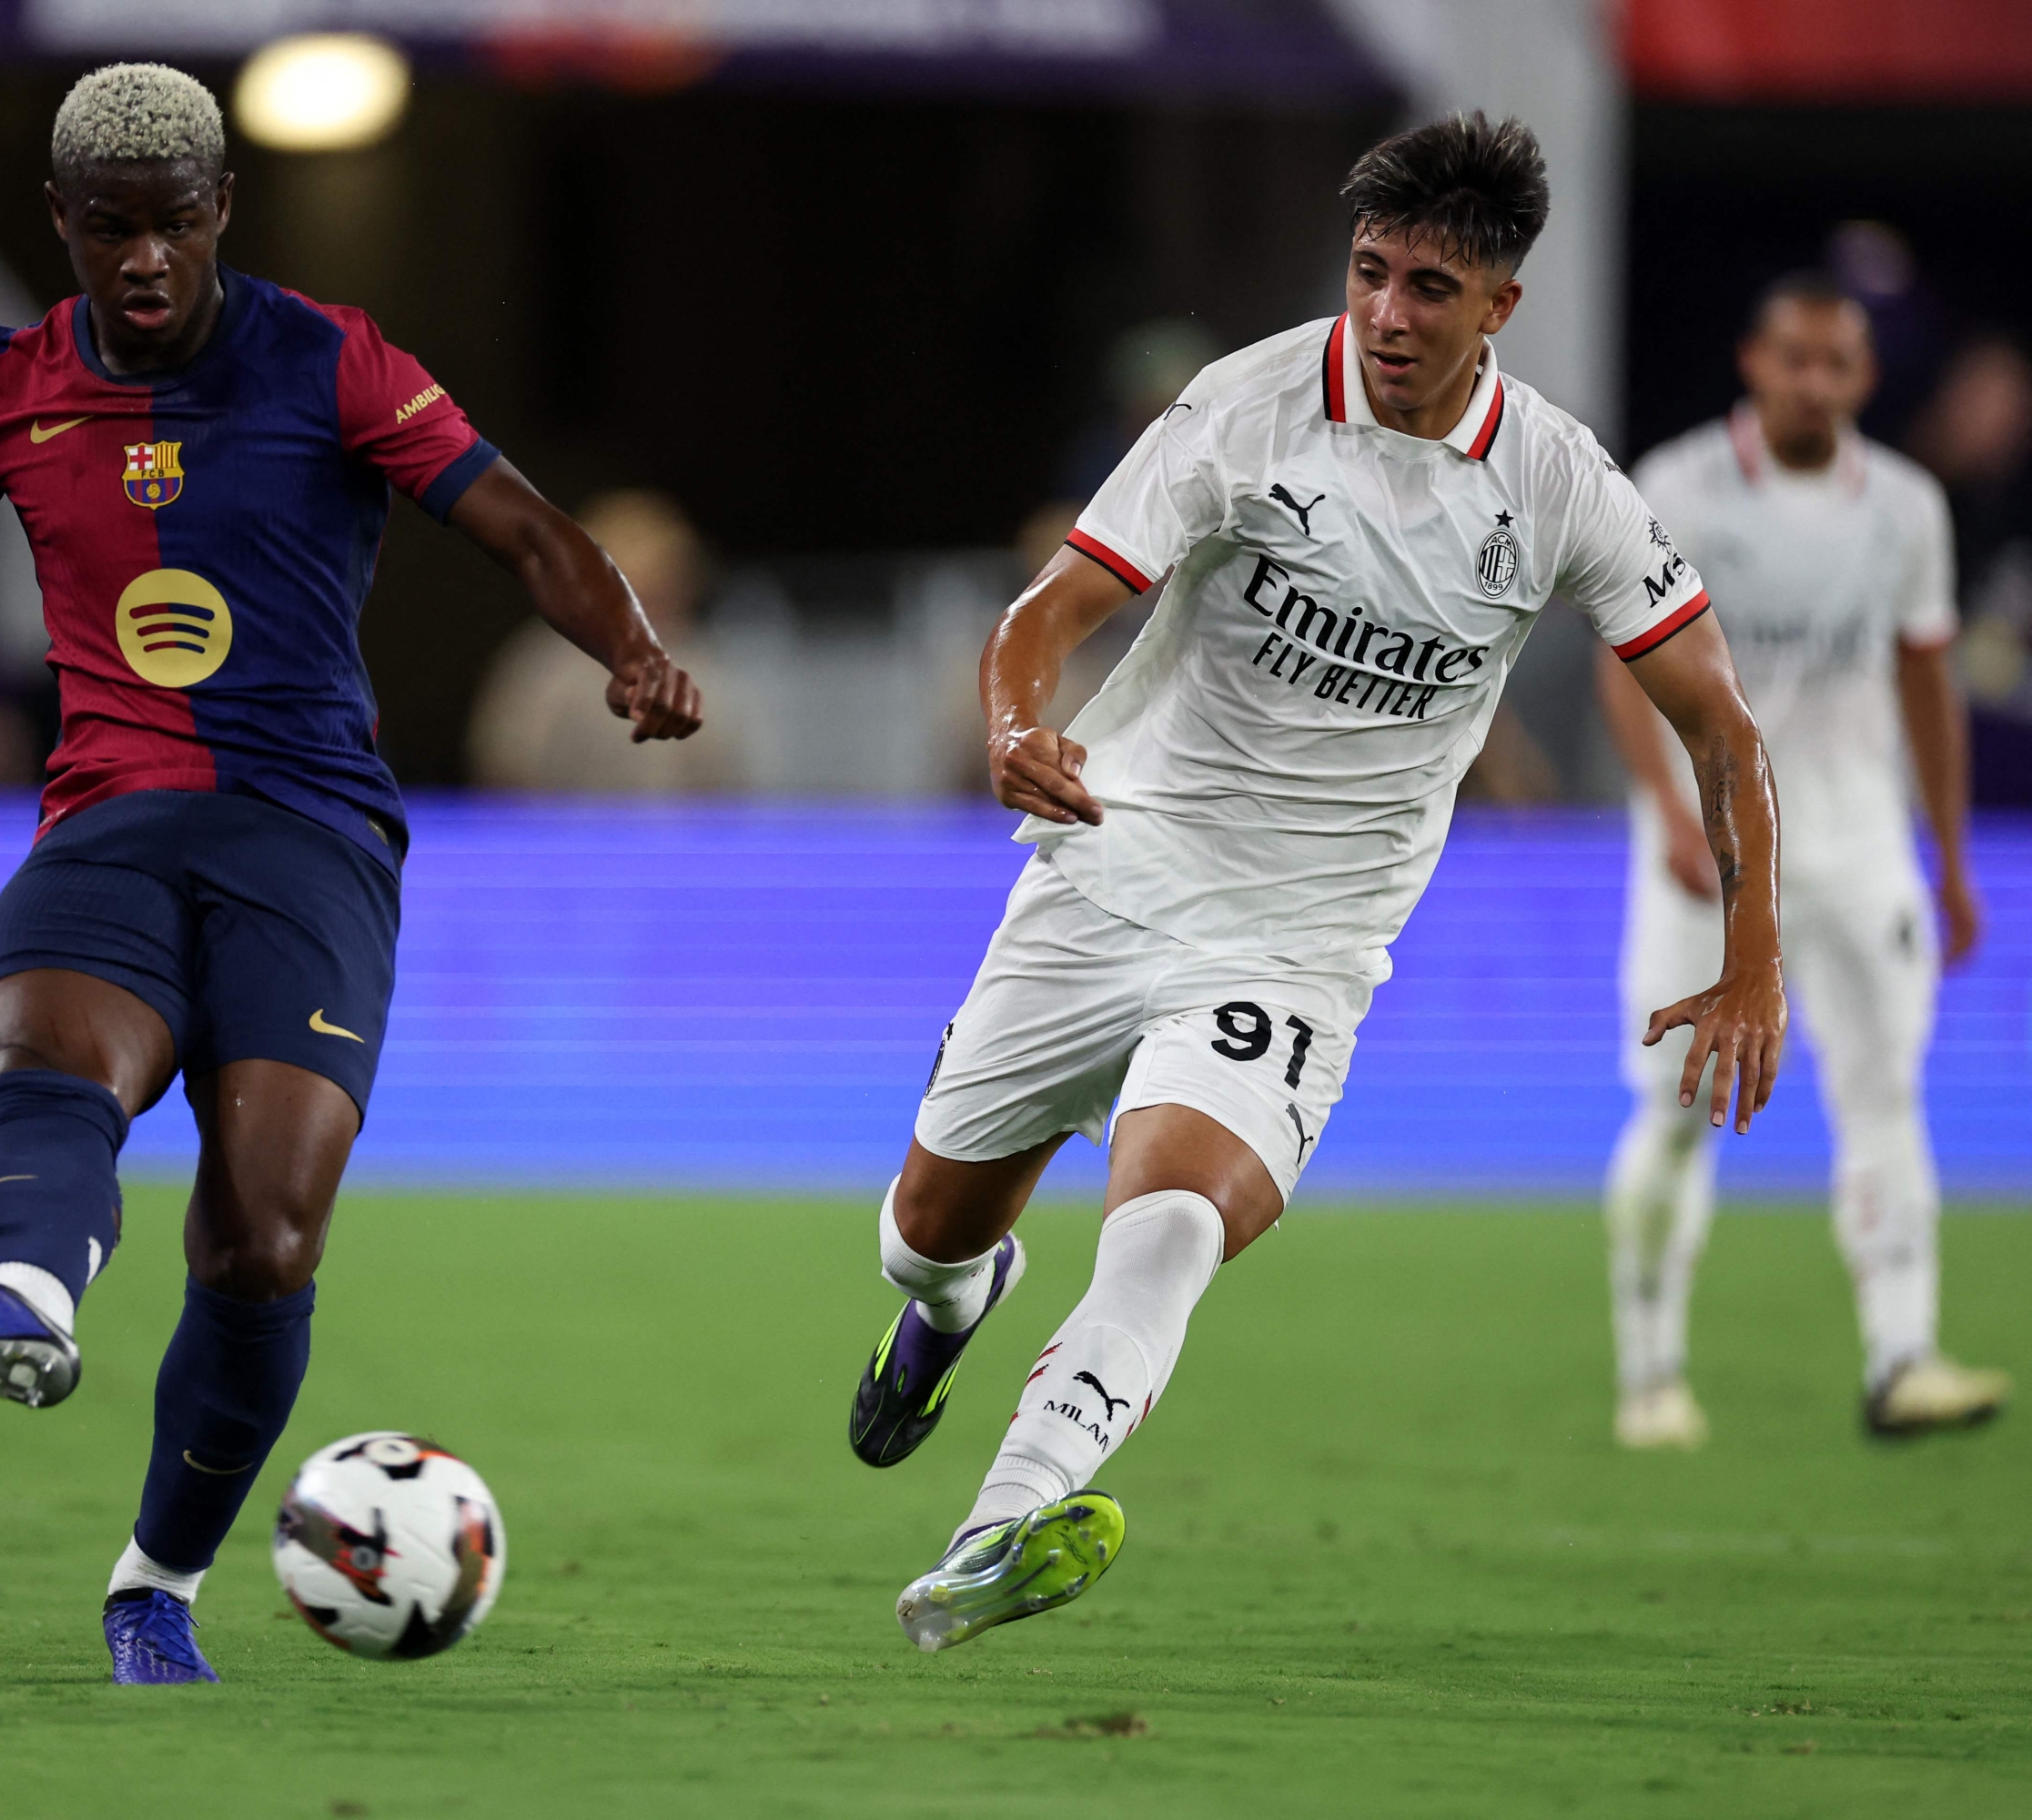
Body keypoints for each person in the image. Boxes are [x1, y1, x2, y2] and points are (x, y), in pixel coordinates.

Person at [0, 66, 702, 1685]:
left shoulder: (333, 361)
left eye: (172, 229)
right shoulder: (0, 389)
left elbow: (524, 525)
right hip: (108, 819)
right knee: (46, 1045)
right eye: (108, 231)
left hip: (309, 834)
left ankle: (156, 1582)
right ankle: (28, 1302)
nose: (141, 262)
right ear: (58, 222)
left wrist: (627, 644)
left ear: (220, 218)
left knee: (262, 1240)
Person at [841, 113, 1786, 1653]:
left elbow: (1718, 722)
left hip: (1300, 941)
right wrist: (1016, 719)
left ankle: (993, 1532)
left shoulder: (1558, 485)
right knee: (928, 1225)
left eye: (1429, 288)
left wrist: (1753, 954)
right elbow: (1049, 607)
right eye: (1370, 275)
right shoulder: (1243, 409)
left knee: (1172, 1226)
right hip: (1113, 868)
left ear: (1501, 308)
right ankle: (944, 1311)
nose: (1390, 316)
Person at [1600, 275, 2007, 1446]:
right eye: (1796, 359)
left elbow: (1927, 681)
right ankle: (1652, 1371)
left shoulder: (1906, 507)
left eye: (1838, 363)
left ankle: (1902, 1355)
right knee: (1677, 1110)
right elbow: (1622, 666)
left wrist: (1950, 856)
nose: (1815, 381)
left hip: (1855, 839)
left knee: (1884, 1093)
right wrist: (1672, 816)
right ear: (1754, 360)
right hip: (1712, 847)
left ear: (1866, 378)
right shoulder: (1675, 488)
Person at [468, 488, 751, 792]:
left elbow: (734, 790)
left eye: (656, 598)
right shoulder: (546, 669)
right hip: (561, 836)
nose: (642, 625)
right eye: (628, 601)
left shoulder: (714, 677)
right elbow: (502, 772)